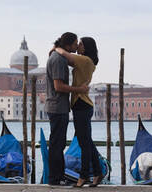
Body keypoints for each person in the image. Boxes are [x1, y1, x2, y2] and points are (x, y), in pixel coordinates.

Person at [55, 37, 103, 187]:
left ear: (87, 47)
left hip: (82, 105)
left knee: (83, 143)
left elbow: (65, 55)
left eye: (80, 44)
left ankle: (83, 177)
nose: (78, 46)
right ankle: (98, 173)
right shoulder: (86, 61)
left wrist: (56, 47)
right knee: (87, 141)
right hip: (81, 105)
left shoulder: (85, 60)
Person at [45, 32, 89, 186]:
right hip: (57, 107)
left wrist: (55, 48)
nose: (77, 46)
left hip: (58, 107)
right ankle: (55, 179)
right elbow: (58, 86)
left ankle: (57, 177)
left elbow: (77, 62)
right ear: (68, 45)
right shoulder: (58, 60)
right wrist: (79, 89)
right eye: (75, 43)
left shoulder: (59, 57)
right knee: (57, 144)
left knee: (58, 143)